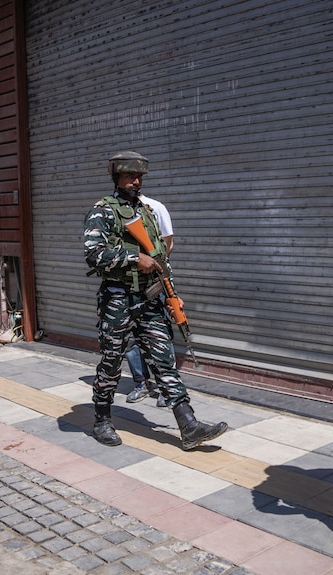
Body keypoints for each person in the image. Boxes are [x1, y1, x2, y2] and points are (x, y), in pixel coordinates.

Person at [83, 150, 227, 450]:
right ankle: (102, 419)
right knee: (111, 361)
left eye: (139, 177)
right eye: (129, 176)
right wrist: (135, 259)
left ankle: (188, 425)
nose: (136, 181)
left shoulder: (147, 212)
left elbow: (161, 258)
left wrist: (172, 292)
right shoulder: (103, 211)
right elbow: (94, 255)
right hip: (118, 300)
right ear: (116, 178)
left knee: (164, 360)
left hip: (150, 299)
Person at [126, 192, 174, 407]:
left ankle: (167, 387)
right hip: (126, 285)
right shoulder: (112, 212)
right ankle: (141, 383)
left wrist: (152, 266)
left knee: (161, 333)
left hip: (153, 281)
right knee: (130, 337)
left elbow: (168, 244)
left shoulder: (155, 207)